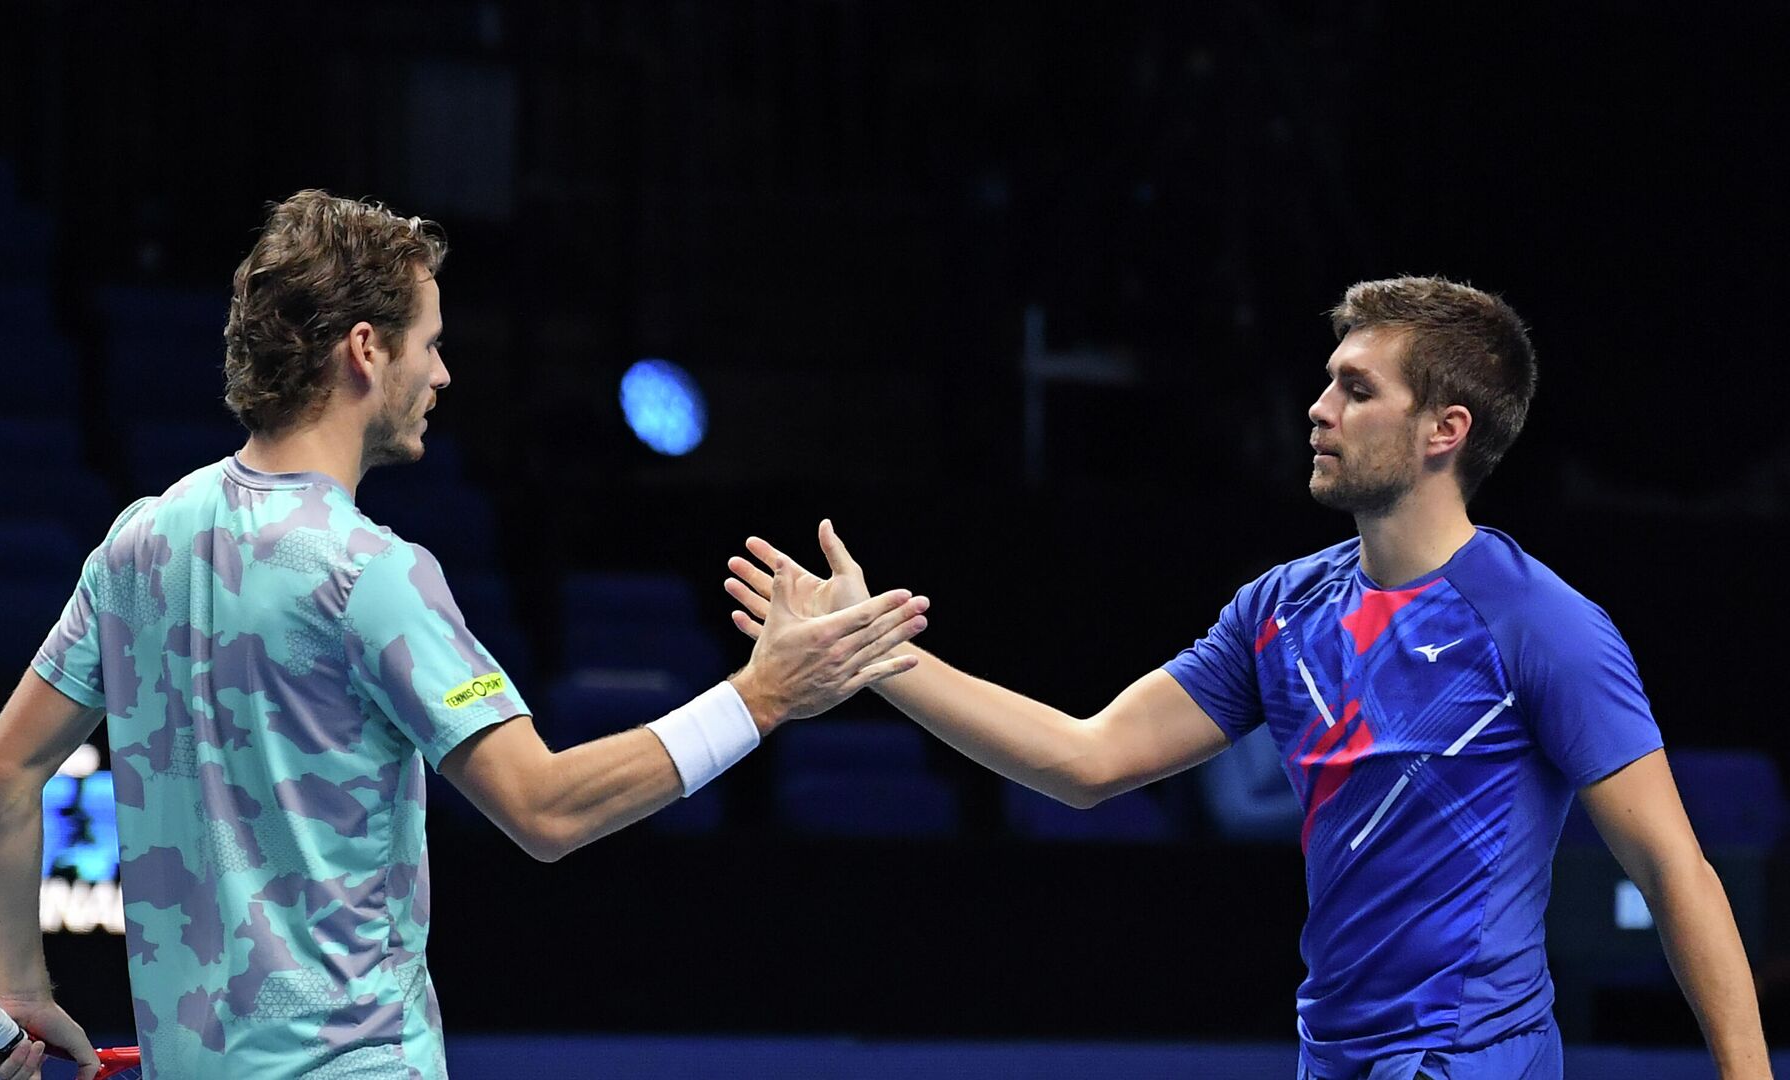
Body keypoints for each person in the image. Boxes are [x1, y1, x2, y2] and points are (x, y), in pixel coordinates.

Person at [0, 190, 930, 1080]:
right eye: (427, 342)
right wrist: (762, 697)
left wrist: (20, 993)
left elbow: (1, 774)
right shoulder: (369, 573)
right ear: (364, 350)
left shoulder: (137, 543)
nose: (443, 371)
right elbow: (544, 811)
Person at [725, 277, 1771, 1079]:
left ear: (1445, 431)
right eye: (1326, 380)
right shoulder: (1279, 611)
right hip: (1333, 1055)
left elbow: (1676, 870)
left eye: (1357, 390)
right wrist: (873, 654)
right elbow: (1087, 760)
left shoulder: (1541, 624)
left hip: (1470, 1058)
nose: (1318, 408)